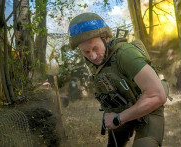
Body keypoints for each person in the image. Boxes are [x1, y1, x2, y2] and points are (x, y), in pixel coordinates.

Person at [68, 12, 167, 147]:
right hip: (121, 109)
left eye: (95, 48)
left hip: (148, 108)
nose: (92, 56)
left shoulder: (126, 54)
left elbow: (157, 96)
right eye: (86, 52)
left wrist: (118, 119)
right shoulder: (95, 62)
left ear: (106, 38)